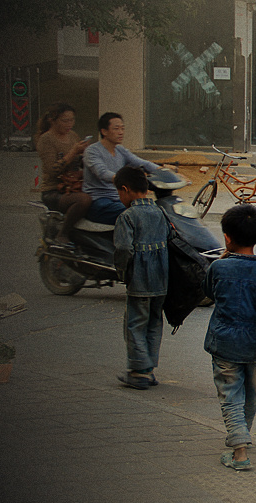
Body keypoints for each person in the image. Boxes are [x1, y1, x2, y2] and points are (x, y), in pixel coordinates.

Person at [203, 205, 256, 471]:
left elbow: (207, 291)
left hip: (225, 343)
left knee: (230, 393)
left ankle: (240, 451)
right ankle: (242, 433)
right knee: (250, 390)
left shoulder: (219, 268)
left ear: (227, 237)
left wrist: (223, 259)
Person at [113, 166, 169, 391]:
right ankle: (149, 370)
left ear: (125, 190)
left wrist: (122, 272)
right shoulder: (160, 212)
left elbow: (123, 248)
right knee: (154, 323)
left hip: (139, 281)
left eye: (119, 193)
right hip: (161, 281)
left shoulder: (127, 216)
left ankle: (138, 371)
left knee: (135, 324)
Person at [83, 112, 161, 225]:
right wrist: (125, 180)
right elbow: (102, 172)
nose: (121, 132)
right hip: (100, 201)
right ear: (104, 131)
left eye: (122, 128)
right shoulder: (92, 151)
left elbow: (142, 163)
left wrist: (163, 171)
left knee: (153, 210)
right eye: (116, 129)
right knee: (136, 214)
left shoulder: (120, 150)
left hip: (120, 198)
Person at [36, 102, 93, 246]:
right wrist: (73, 152)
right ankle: (63, 234)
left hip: (74, 184)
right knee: (84, 200)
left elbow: (78, 163)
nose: (70, 124)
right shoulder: (46, 139)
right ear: (53, 120)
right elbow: (52, 170)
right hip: (54, 190)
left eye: (72, 120)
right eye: (65, 120)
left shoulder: (73, 136)